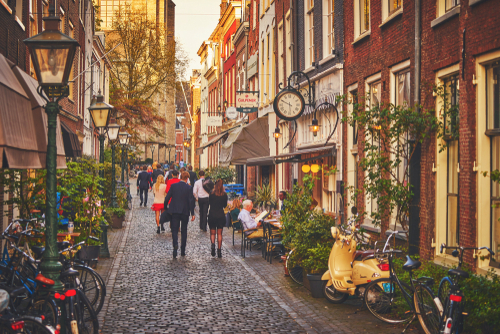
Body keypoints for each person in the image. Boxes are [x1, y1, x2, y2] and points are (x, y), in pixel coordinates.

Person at [164, 171, 195, 258]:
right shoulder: (189, 188)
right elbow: (191, 201)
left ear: (180, 177)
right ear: (187, 178)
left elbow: (167, 197)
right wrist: (192, 213)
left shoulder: (174, 186)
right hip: (185, 211)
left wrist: (165, 207)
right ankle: (183, 250)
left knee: (174, 229)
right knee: (184, 231)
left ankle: (175, 246)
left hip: (175, 211)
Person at [208, 180, 228, 258]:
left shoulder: (211, 194)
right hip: (220, 215)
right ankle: (219, 251)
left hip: (212, 214)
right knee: (219, 233)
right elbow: (225, 205)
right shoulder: (224, 194)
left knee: (212, 233)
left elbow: (209, 203)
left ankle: (213, 245)